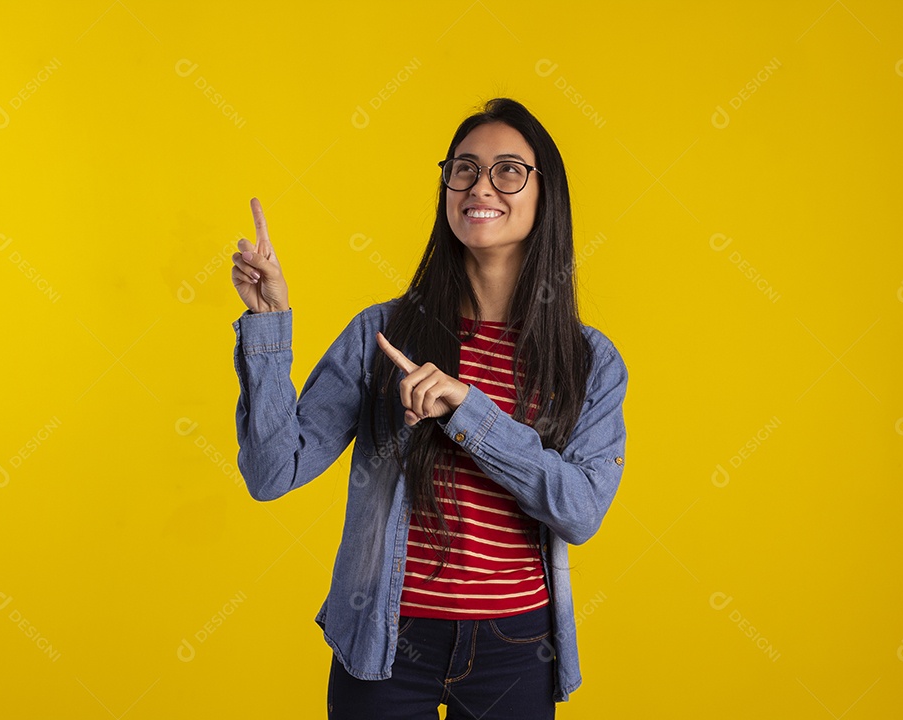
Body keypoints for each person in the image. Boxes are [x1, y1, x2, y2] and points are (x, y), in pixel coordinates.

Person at [229, 98, 628, 719]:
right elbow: (272, 471)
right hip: (385, 640)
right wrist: (267, 326)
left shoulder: (588, 360)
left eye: (508, 171)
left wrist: (468, 412)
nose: (480, 186)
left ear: (547, 194)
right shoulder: (383, 334)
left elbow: (579, 510)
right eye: (463, 168)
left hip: (517, 645)